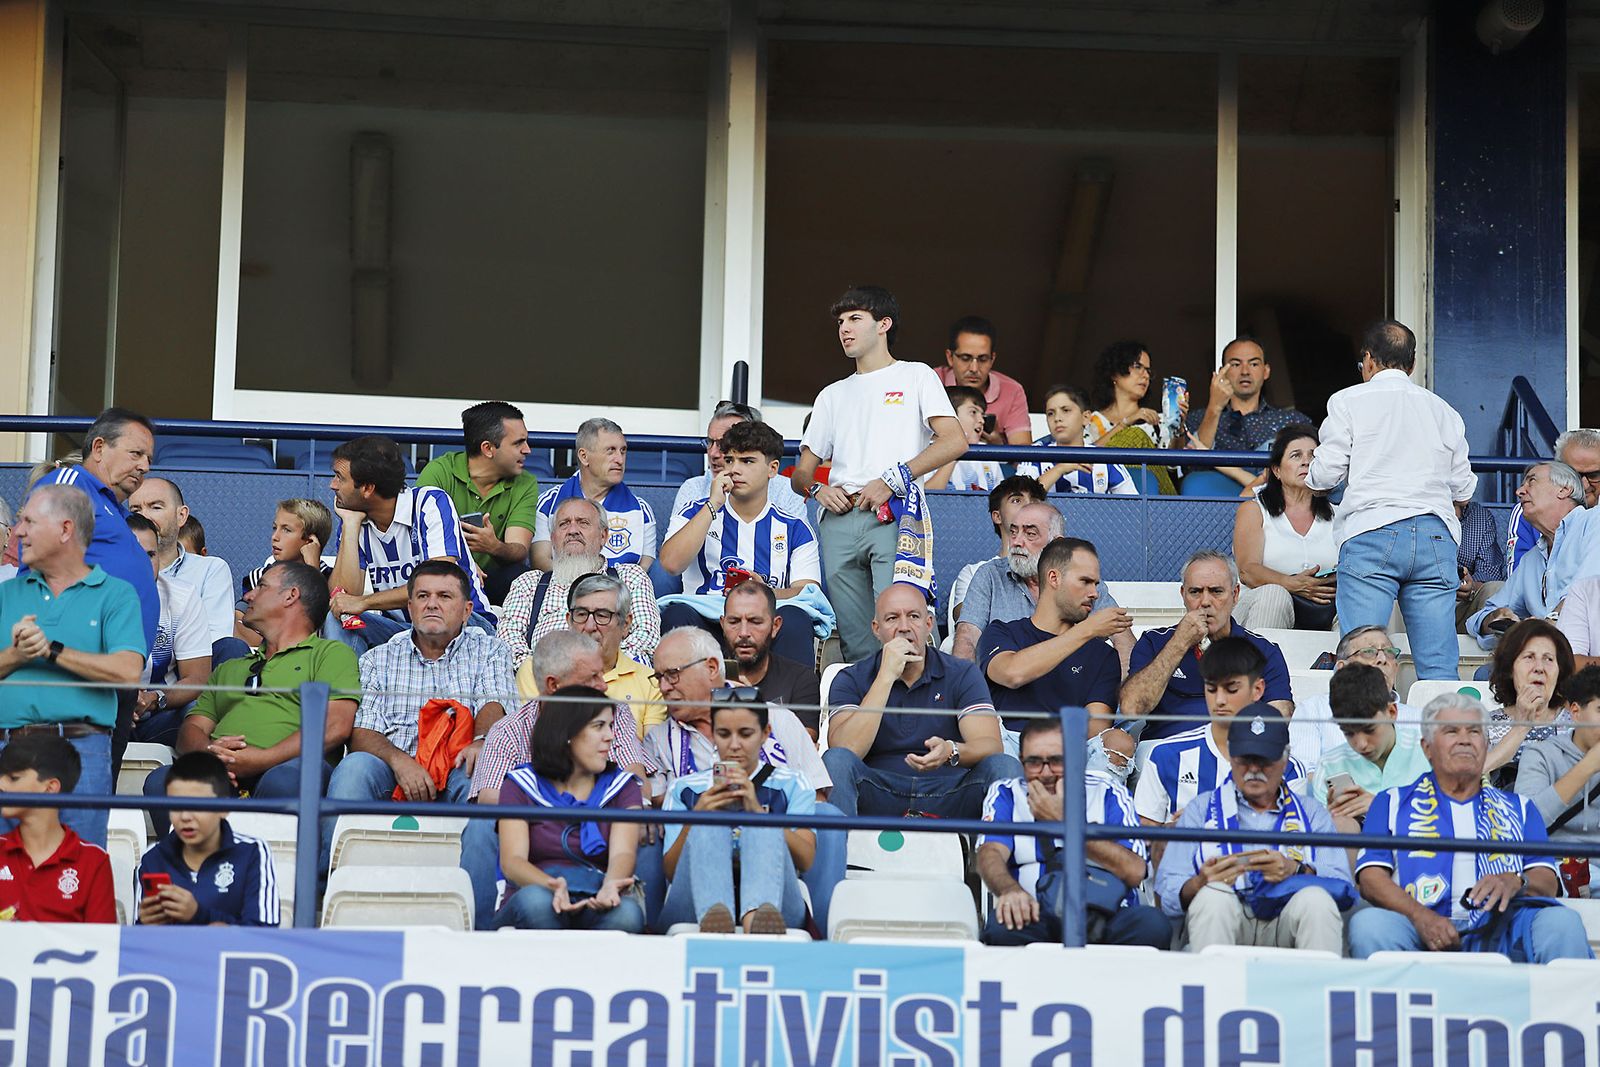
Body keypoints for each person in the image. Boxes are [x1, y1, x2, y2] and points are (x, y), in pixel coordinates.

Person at [790, 286, 966, 660]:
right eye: (840, 321)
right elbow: (801, 473)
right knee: (856, 640)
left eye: (855, 319)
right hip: (838, 517)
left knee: (901, 627)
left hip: (896, 513)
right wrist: (818, 491)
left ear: (883, 324)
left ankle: (912, 714)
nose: (844, 329)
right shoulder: (831, 394)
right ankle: (871, 715)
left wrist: (894, 478)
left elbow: (954, 441)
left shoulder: (916, 375)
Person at [1350, 693, 1592, 963]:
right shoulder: (1392, 802)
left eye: (1474, 732)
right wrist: (1420, 916)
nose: (1465, 739)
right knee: (1369, 925)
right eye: (1451, 731)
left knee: (1562, 922)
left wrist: (1516, 881)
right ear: (1427, 748)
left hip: (1505, 925)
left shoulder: (1521, 808)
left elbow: (1546, 880)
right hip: (1418, 923)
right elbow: (1371, 879)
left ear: (1486, 745)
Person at [1305, 320, 1475, 681]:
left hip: (1372, 531)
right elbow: (1464, 488)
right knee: (1439, 666)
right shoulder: (1443, 409)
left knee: (1364, 657)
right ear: (1411, 365)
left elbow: (1325, 474)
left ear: (1368, 361)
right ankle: (1447, 733)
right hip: (1434, 535)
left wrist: (1317, 483)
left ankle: (1367, 736)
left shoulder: (1348, 400)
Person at [321, 561, 514, 872]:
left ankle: (476, 897)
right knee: (354, 768)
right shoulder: (378, 657)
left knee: (480, 775)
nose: (432, 603)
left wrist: (480, 741)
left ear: (466, 610)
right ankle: (327, 887)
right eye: (423, 596)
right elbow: (362, 732)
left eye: (444, 596)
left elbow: (496, 703)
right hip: (394, 767)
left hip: (458, 763)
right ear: (410, 608)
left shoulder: (490, 650)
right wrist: (400, 763)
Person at [144, 561, 359, 835]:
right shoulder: (232, 667)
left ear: (291, 595)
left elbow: (334, 726)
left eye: (261, 587)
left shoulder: (330, 654)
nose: (247, 596)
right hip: (221, 775)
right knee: (162, 781)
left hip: (287, 770)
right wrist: (211, 756)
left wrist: (262, 758)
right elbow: (192, 728)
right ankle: (199, 873)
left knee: (284, 780)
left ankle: (275, 873)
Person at [467, 631, 651, 928]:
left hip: (597, 880)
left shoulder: (615, 722)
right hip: (536, 876)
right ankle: (479, 936)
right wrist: (556, 814)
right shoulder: (513, 750)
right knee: (535, 899)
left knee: (628, 909)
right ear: (553, 685)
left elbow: (635, 780)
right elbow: (490, 800)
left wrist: (611, 884)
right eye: (592, 678)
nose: (603, 686)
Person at [0, 485, 144, 847]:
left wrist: (50, 650)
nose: (17, 532)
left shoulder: (116, 593)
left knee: (78, 871)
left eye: (29, 521)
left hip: (83, 753)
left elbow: (128, 672)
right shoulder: (6, 594)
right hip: (8, 751)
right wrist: (18, 655)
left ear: (65, 530)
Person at [1154, 706, 1350, 953]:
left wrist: (1298, 870)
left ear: (1285, 759)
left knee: (1317, 901)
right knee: (1213, 897)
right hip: (1228, 912)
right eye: (1245, 760)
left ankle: (1315, 991)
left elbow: (1342, 886)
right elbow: (1168, 892)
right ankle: (1217, 990)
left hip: (1286, 915)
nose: (1254, 769)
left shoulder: (1312, 812)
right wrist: (1201, 882)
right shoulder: (1200, 809)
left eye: (1264, 759)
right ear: (1232, 758)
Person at [822, 584, 1020, 818]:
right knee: (835, 761)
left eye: (913, 616)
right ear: (876, 629)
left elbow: (990, 745)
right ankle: (834, 853)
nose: (904, 628)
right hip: (878, 791)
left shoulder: (961, 673)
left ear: (929, 624)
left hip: (949, 792)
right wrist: (885, 677)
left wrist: (951, 751)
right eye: (892, 618)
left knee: (1004, 766)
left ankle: (997, 854)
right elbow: (845, 750)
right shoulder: (851, 678)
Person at [977, 721, 1169, 947]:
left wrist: (1065, 821)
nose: (1046, 772)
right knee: (1001, 930)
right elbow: (989, 854)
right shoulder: (1007, 793)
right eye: (1034, 762)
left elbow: (1135, 870)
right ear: (1021, 762)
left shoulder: (1108, 791)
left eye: (1056, 761)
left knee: (1153, 926)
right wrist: (1010, 891)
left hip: (1108, 911)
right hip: (1033, 911)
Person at [657, 418, 825, 665]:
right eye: (729, 460)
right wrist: (712, 505)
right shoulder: (696, 511)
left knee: (796, 618)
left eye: (747, 461)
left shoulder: (795, 527)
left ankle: (788, 704)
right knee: (677, 614)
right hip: (708, 620)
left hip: (764, 625)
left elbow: (808, 590)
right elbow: (671, 564)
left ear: (773, 469)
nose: (735, 469)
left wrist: (764, 593)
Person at [491, 687, 646, 932]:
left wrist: (610, 887)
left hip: (597, 896)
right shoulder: (519, 784)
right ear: (568, 734)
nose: (610, 736)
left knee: (627, 914)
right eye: (599, 726)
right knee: (538, 905)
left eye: (611, 726)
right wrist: (553, 886)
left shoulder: (623, 787)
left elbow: (623, 854)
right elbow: (512, 861)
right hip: (537, 891)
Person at [659, 699, 816, 934]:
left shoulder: (794, 782)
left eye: (745, 734)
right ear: (713, 734)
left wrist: (759, 814)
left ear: (765, 734)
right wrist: (697, 818)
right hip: (694, 903)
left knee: (761, 824)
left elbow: (805, 861)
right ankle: (718, 916)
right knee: (708, 823)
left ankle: (755, 922)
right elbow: (671, 872)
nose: (734, 745)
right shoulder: (684, 788)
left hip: (780, 903)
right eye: (723, 734)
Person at [326, 434, 492, 650]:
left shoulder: (429, 502)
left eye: (339, 477)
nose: (332, 485)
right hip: (403, 630)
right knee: (338, 620)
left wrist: (365, 602)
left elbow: (439, 584)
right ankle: (348, 685)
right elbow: (344, 599)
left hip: (465, 623)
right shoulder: (355, 519)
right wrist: (349, 524)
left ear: (367, 488)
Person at [1136, 639, 1308, 832]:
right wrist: (1178, 832)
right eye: (1211, 689)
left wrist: (1210, 821)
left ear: (1258, 690)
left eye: (1231, 689)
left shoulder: (1287, 767)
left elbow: (1293, 848)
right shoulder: (1165, 755)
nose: (1219, 700)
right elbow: (1144, 841)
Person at [1120, 551, 1294, 742]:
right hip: (1167, 751)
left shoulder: (1263, 650)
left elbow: (1278, 718)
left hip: (1234, 750)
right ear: (1183, 595)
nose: (1205, 602)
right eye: (1195, 592)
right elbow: (1131, 708)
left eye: (1216, 591)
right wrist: (1179, 643)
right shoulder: (1154, 641)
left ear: (1235, 595)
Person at [28, 408, 158, 654]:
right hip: (70, 672)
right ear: (99, 448)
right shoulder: (71, 485)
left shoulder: (117, 511)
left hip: (112, 674)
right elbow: (35, 573)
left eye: (149, 459)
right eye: (136, 454)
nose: (145, 466)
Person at [644, 627, 829, 798]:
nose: (664, 687)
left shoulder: (776, 718)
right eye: (659, 678)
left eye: (672, 674)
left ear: (711, 668)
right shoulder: (658, 740)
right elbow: (659, 813)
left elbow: (817, 798)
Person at [979, 537, 1125, 747]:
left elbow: (1096, 729)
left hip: (1070, 752)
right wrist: (1087, 630)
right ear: (1054, 578)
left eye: (1096, 584)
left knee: (1117, 743)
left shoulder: (1103, 655)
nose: (1094, 593)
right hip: (1009, 749)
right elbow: (1012, 673)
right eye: (1085, 581)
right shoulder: (1002, 632)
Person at [952, 501, 1130, 672]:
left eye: (1030, 534)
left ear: (1056, 543)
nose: (1016, 542)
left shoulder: (1083, 582)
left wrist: (1119, 696)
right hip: (1005, 691)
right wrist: (966, 696)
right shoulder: (990, 575)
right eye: (1013, 532)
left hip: (1073, 693)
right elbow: (966, 640)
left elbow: (1124, 641)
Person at [498, 496, 659, 672]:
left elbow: (647, 637)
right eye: (564, 524)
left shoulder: (630, 577)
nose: (573, 530)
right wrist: (544, 673)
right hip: (544, 685)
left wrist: (598, 669)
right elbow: (508, 641)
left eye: (583, 523)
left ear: (603, 536)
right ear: (552, 538)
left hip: (613, 683)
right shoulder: (529, 584)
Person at [417, 400, 541, 605]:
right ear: (488, 448)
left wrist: (494, 546)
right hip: (441, 573)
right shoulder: (439, 471)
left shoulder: (525, 483)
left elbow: (519, 549)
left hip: (489, 581)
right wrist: (463, 566)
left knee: (520, 576)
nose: (527, 450)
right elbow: (418, 539)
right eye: (518, 443)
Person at [136, 751, 280, 927]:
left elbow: (263, 936)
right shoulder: (152, 857)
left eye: (197, 805)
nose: (185, 816)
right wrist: (144, 924)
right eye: (174, 805)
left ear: (224, 807)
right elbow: (141, 943)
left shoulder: (252, 852)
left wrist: (198, 915)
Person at [513, 571, 664, 736]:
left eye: (602, 615)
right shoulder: (536, 669)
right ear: (569, 621)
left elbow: (651, 754)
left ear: (625, 624)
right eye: (582, 614)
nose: (590, 626)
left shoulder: (650, 683)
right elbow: (536, 740)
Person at [1469, 462, 1600, 648]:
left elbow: (1588, 590)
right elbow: (1478, 618)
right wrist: (1494, 618)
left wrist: (1546, 624)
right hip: (1547, 658)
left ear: (1564, 490)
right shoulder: (1531, 559)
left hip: (1589, 656)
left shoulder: (1595, 522)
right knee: (1485, 674)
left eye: (1531, 482)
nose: (1519, 491)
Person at [1230, 424, 1337, 631]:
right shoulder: (1254, 510)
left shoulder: (1338, 512)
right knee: (1275, 595)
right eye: (1296, 456)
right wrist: (1292, 584)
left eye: (1313, 455)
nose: (1306, 461)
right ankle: (1263, 665)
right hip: (1262, 606)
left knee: (1358, 600)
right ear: (1277, 471)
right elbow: (1247, 571)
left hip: (1324, 608)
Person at [0, 733, 115, 923]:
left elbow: (102, 945)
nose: (1, 785)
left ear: (51, 787)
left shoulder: (94, 861)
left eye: (13, 778)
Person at [1285, 625, 1421, 778]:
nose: (1382, 660)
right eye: (1369, 652)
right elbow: (1305, 774)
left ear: (1396, 667)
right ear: (1342, 668)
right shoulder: (1314, 709)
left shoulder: (1419, 718)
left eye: (1389, 652)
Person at [1312, 663, 1432, 836]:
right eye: (1348, 733)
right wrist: (1331, 820)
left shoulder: (1431, 753)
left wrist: (1382, 808)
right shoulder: (1329, 765)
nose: (1360, 744)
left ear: (1392, 712)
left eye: (1369, 730)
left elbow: (1448, 821)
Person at [126, 512, 210, 746]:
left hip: (158, 714)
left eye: (151, 555)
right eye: (132, 554)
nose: (144, 564)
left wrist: (154, 699)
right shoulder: (89, 595)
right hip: (101, 716)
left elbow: (198, 677)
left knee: (196, 713)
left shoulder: (181, 596)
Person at [1184, 337, 1308, 494]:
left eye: (1254, 364)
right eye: (1236, 364)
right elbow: (1193, 466)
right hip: (1215, 504)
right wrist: (1214, 408)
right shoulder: (1199, 418)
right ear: (1223, 371)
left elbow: (1310, 473)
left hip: (1276, 507)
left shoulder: (1292, 420)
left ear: (1266, 371)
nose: (1245, 371)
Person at [1515, 664, 1600, 894]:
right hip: (1552, 872)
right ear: (1575, 712)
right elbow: (1524, 824)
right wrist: (1587, 767)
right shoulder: (1540, 753)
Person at [532, 418, 655, 571]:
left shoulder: (642, 510)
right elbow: (541, 561)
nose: (620, 460)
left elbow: (643, 570)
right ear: (584, 457)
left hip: (621, 592)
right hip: (561, 590)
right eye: (610, 451)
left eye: (623, 451)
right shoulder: (548, 503)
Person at [128, 476, 236, 644]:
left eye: (156, 507)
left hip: (194, 665)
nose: (144, 517)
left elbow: (217, 639)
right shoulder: (114, 568)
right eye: (135, 510)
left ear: (181, 516)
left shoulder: (210, 569)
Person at [672, 400, 807, 520]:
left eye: (723, 443)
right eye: (709, 442)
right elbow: (675, 548)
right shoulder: (693, 488)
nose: (713, 453)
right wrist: (712, 506)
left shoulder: (787, 491)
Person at [721, 580, 822, 738]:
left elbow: (804, 744)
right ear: (722, 624)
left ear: (775, 626)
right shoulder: (704, 678)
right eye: (734, 622)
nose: (744, 632)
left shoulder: (800, 679)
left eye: (755, 622)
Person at [947, 475, 1048, 632]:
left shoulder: (1059, 569)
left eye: (1034, 501)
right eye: (1016, 500)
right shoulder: (973, 572)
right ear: (997, 516)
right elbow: (967, 622)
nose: (1028, 506)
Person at [1085, 341, 1186, 495]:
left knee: (1137, 436)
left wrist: (1178, 428)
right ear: (1115, 373)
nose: (1145, 376)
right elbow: (1086, 461)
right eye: (1138, 367)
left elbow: (1172, 467)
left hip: (1157, 501)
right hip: (1104, 497)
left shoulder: (1155, 422)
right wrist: (1126, 423)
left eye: (1148, 371)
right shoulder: (1092, 420)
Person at [1483, 619, 1575, 777]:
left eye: (1549, 659)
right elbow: (1462, 780)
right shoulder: (1486, 725)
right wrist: (1521, 727)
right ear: (1510, 669)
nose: (1539, 668)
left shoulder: (1577, 724)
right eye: (1529, 657)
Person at [236, 498, 335, 642]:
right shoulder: (259, 577)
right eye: (274, 528)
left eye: (286, 530)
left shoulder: (329, 577)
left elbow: (321, 627)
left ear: (310, 540)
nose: (274, 537)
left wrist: (313, 569)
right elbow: (240, 619)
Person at [1506, 427, 1600, 572]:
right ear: (1558, 471)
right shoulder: (1529, 509)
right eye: (1573, 474)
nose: (1584, 484)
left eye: (1594, 475)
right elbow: (1517, 580)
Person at [1016, 385, 1136, 496]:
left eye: (1066, 410)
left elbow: (1134, 506)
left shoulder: (1105, 458)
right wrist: (1060, 469)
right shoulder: (1034, 454)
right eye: (1050, 413)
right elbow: (1019, 499)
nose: (1057, 418)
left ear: (1086, 417)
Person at [934, 315, 1033, 445]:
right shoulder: (931, 381)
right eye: (965, 358)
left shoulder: (1012, 390)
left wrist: (997, 446)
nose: (974, 368)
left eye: (982, 359)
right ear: (950, 357)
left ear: (993, 359)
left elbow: (1023, 455)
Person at [926, 386, 1004, 491]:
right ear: (950, 416)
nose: (982, 420)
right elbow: (928, 497)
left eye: (982, 415)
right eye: (973, 412)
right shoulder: (926, 449)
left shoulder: (987, 453)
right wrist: (954, 453)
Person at [1454, 499, 1507, 632]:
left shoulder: (1479, 516)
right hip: (1416, 602)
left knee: (1496, 588)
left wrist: (1470, 588)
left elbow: (1489, 574)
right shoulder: (1411, 510)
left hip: (1459, 607)